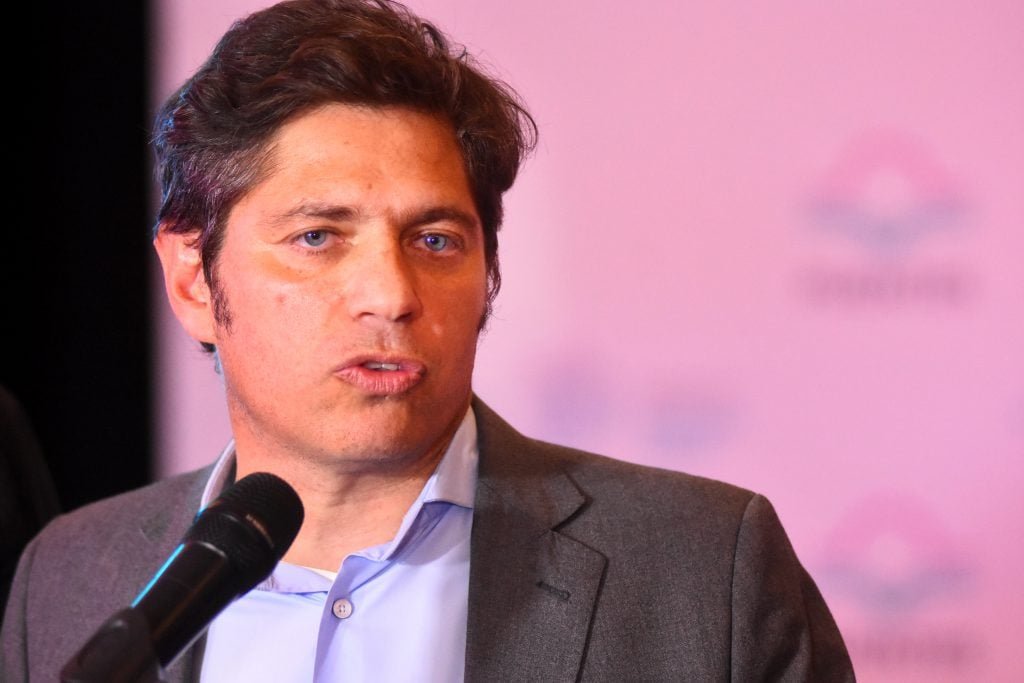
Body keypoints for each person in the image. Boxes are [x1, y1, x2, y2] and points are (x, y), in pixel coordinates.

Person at [1, 0, 855, 680]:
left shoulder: (704, 569)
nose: (392, 294)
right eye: (318, 236)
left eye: (436, 239)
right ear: (194, 280)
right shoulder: (70, 576)